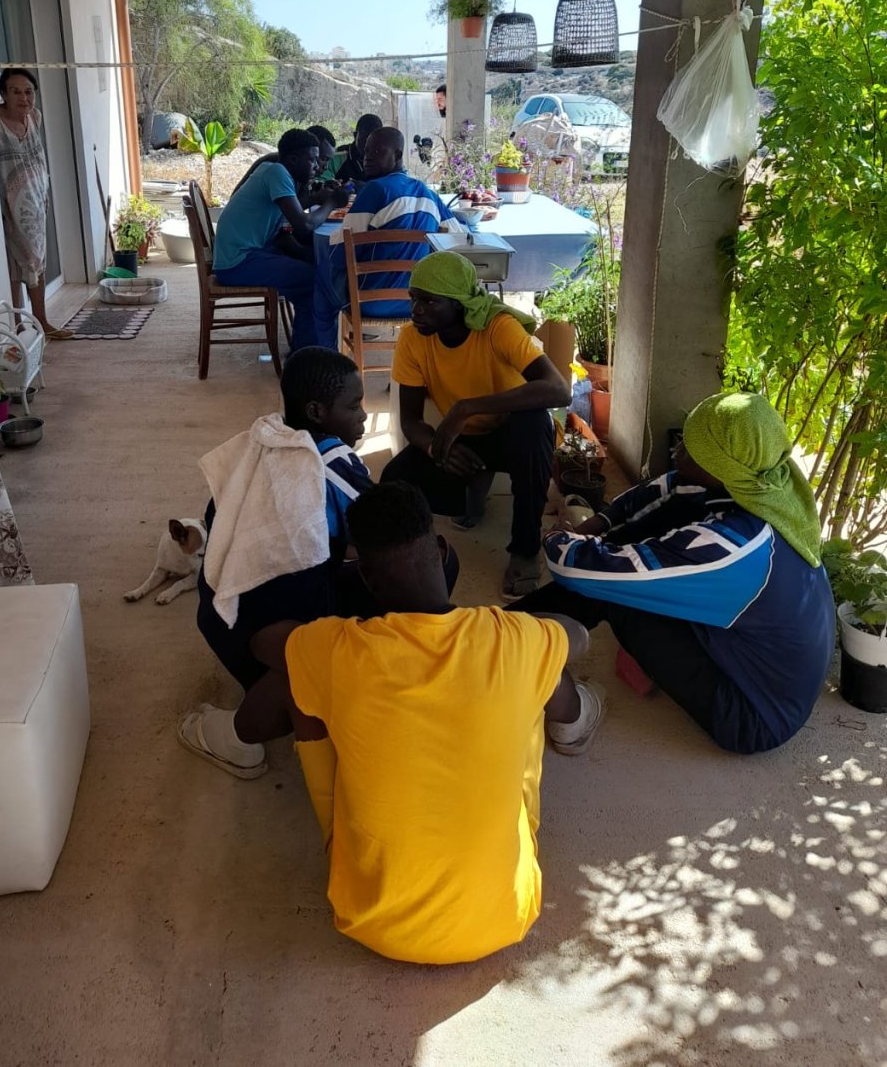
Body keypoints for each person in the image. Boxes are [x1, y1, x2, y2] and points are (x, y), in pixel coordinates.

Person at [281, 482, 604, 965]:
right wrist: (533, 629)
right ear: (441, 548)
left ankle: (336, 838)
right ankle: (578, 721)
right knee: (537, 672)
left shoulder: (330, 647)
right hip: (505, 916)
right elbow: (577, 636)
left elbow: (277, 647)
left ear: (366, 577)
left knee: (301, 685)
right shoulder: (515, 637)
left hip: (369, 918)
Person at [179, 349, 460, 779]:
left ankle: (266, 706)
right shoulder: (330, 465)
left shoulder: (262, 441)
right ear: (316, 412)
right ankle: (378, 686)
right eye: (353, 406)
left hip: (225, 622)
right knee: (437, 564)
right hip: (278, 645)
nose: (363, 416)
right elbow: (393, 536)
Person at [513, 391, 835, 755]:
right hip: (758, 656)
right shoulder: (760, 482)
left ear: (716, 467)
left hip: (753, 715)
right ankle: (508, 633)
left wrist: (559, 537)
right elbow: (664, 490)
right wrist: (600, 522)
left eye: (690, 446)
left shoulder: (734, 546)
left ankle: (565, 708)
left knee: (615, 592)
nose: (678, 446)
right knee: (641, 535)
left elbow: (574, 568)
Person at [381, 252, 570, 595]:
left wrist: (465, 408)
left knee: (535, 424)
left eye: (429, 301)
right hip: (463, 439)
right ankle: (470, 488)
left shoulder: (498, 327)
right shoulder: (412, 338)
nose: (416, 310)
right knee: (395, 479)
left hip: (511, 434)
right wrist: (434, 448)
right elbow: (411, 420)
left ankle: (526, 549)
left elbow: (558, 389)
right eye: (413, 299)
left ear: (459, 303)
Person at [315, 125, 463, 342]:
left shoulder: (374, 190)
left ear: (398, 155)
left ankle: (323, 355)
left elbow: (340, 254)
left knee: (320, 277)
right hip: (418, 302)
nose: (368, 158)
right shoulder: (427, 193)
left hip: (368, 301)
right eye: (366, 151)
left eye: (377, 152)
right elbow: (458, 238)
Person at [213, 128, 348, 350]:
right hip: (238, 261)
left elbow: (288, 210)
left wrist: (316, 198)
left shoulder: (274, 170)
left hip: (247, 252)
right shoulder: (276, 172)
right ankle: (306, 355)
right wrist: (332, 202)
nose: (317, 166)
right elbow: (304, 225)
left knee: (315, 263)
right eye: (313, 160)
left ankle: (311, 349)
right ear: (293, 159)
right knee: (312, 281)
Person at [0, 67, 72, 340]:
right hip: (7, 205)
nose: (24, 98)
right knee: (14, 265)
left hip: (35, 201)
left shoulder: (35, 117)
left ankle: (41, 321)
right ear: (4, 94)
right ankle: (17, 326)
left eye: (28, 92)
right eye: (16, 92)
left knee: (37, 259)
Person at [321, 113, 382, 184]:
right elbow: (321, 184)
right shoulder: (336, 157)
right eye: (364, 140)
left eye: (375, 142)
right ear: (355, 136)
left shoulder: (383, 159)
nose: (368, 146)